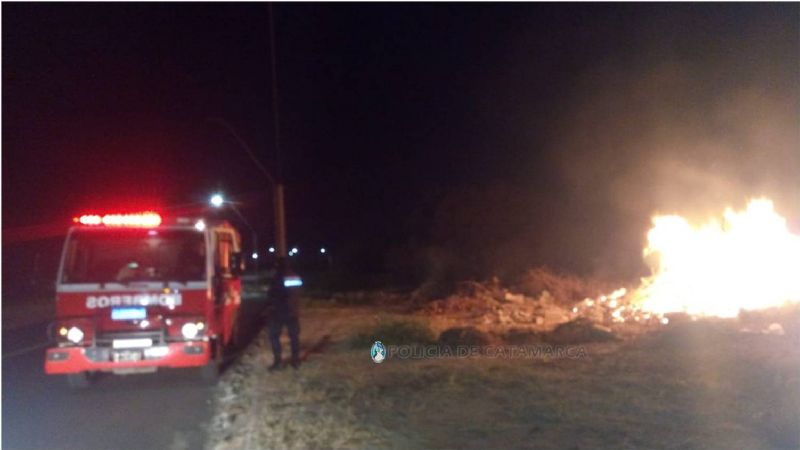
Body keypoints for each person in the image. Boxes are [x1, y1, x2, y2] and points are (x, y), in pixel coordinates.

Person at [267, 262, 300, 370]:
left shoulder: (277, 278)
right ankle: (295, 360)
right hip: (293, 312)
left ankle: (278, 361)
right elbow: (297, 293)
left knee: (274, 336)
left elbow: (272, 295)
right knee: (294, 337)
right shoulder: (295, 276)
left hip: (279, 313)